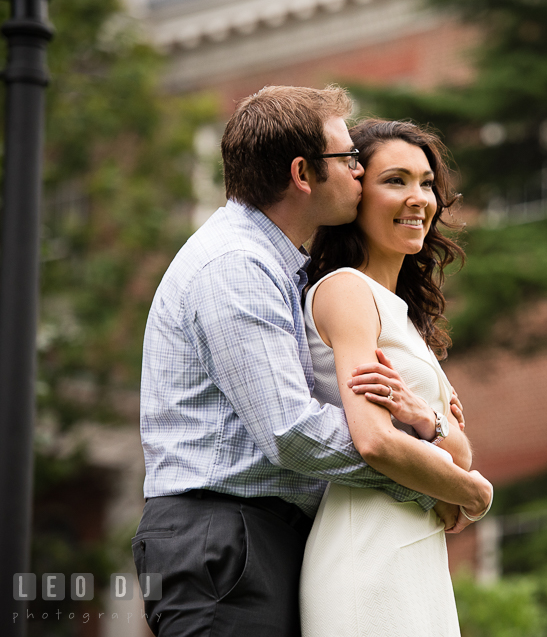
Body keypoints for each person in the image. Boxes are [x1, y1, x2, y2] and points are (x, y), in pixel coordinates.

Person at [133, 86, 492, 637]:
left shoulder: (285, 272)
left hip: (262, 535)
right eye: (349, 160)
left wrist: (433, 443)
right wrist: (433, 480)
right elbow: (292, 431)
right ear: (303, 174)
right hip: (223, 536)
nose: (357, 170)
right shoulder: (235, 267)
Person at [299, 119, 492, 637]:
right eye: (396, 180)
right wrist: (474, 494)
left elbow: (460, 449)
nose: (419, 198)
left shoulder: (402, 315)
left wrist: (426, 420)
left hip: (414, 550)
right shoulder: (346, 292)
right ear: (356, 194)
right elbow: (374, 441)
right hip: (369, 551)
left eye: (426, 182)